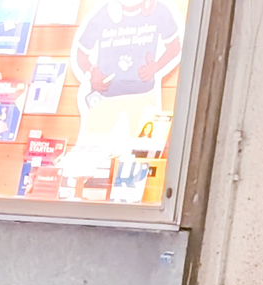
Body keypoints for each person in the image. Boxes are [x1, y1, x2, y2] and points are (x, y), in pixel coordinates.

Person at [67, 0, 182, 183]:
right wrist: (92, 72)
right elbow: (82, 53)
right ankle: (76, 189)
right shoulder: (105, 12)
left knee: (143, 158)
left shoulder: (158, 10)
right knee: (88, 154)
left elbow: (175, 47)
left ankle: (135, 194)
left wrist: (156, 67)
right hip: (105, 97)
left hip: (143, 95)